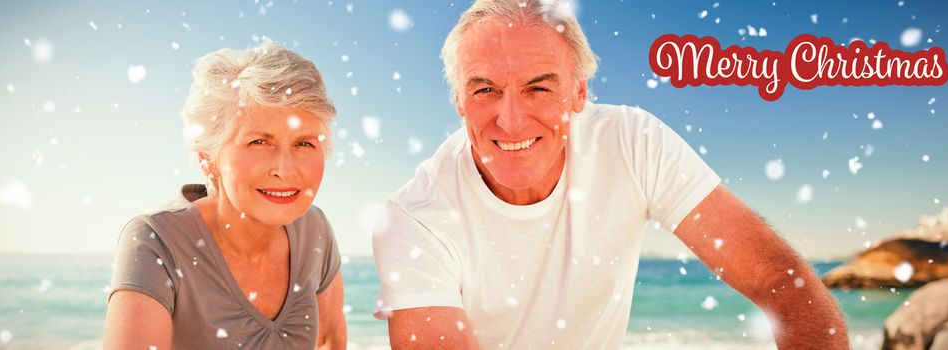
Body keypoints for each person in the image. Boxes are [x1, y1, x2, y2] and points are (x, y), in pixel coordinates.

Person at [371, 1, 848, 349]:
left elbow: (782, 283)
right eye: (485, 89)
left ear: (579, 94)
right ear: (458, 99)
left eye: (538, 88)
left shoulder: (632, 143)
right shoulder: (413, 219)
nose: (510, 119)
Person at [104, 40, 346, 349]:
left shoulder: (316, 231)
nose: (285, 170)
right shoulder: (157, 242)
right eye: (260, 142)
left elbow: (329, 340)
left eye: (304, 143)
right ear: (208, 157)